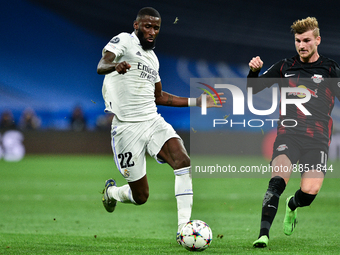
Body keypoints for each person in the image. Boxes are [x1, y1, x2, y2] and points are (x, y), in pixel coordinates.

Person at [96, 7, 225, 243]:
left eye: (156, 28)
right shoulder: (124, 41)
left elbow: (159, 97)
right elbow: (101, 65)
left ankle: (183, 229)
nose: (152, 31)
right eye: (148, 26)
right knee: (141, 196)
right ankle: (112, 193)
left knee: (182, 160)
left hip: (152, 120)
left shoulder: (153, 59)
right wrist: (115, 66)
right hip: (126, 128)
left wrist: (197, 101)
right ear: (137, 26)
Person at [247, 17, 340, 248]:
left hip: (317, 140)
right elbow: (253, 90)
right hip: (288, 135)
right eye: (298, 40)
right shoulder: (284, 66)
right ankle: (263, 234)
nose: (302, 45)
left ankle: (293, 205)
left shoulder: (330, 69)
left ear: (317, 40)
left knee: (309, 192)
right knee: (277, 180)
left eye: (307, 40)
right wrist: (253, 72)